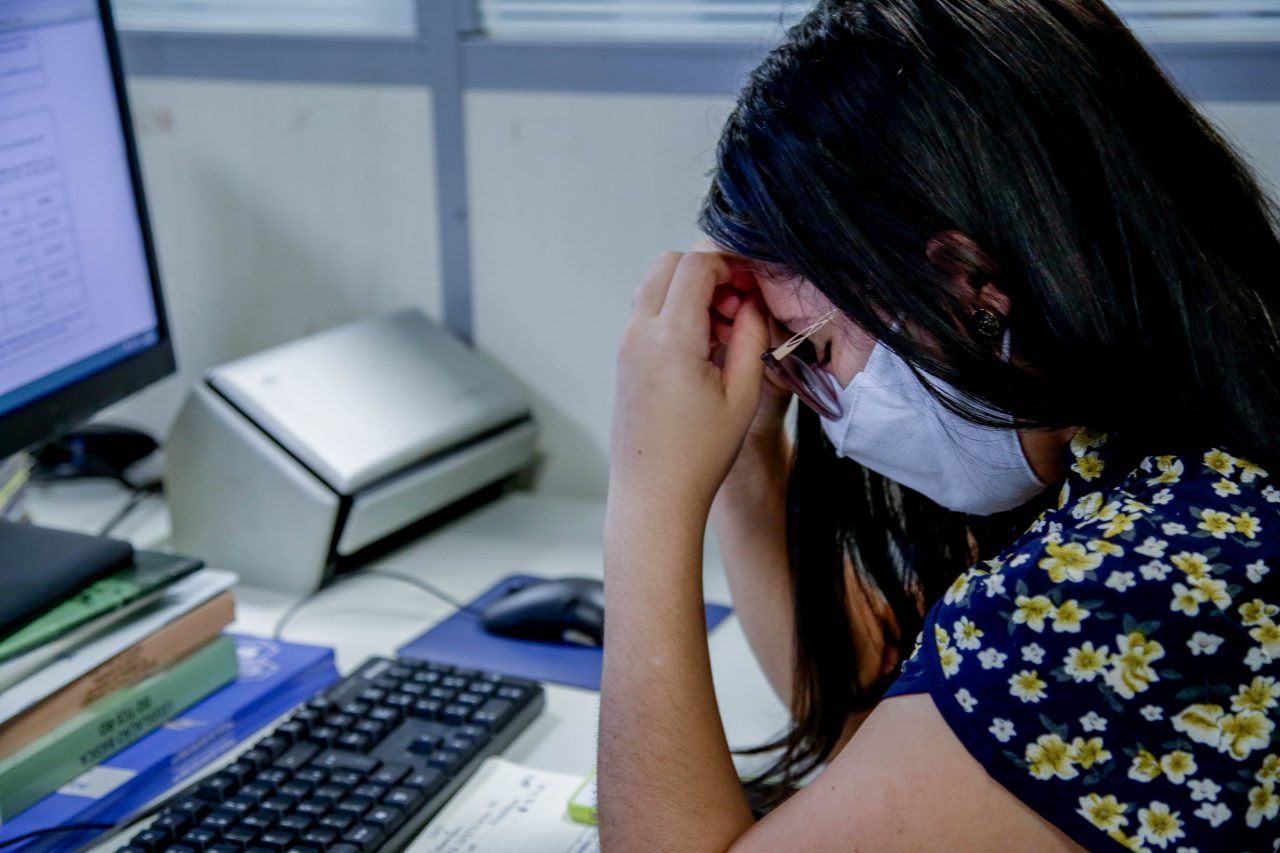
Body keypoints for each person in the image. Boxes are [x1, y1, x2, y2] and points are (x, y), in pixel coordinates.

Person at [597, 0, 1280, 850]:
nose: (808, 390)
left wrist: (645, 492)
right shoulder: (1173, 456)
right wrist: (743, 463)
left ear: (967, 283)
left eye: (813, 350)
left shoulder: (1130, 587)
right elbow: (880, 714)